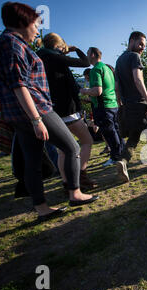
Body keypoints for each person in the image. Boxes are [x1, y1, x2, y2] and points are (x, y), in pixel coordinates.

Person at [0, 2, 98, 221]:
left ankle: (42, 208)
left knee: (33, 159)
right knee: (71, 147)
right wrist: (36, 118)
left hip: (20, 112)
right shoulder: (12, 44)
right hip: (35, 108)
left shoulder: (9, 43)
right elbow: (19, 84)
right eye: (35, 24)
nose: (38, 30)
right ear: (23, 22)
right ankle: (75, 193)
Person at [36, 33, 96, 191]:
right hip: (66, 109)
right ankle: (80, 176)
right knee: (87, 141)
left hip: (52, 109)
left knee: (63, 150)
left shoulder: (40, 57)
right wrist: (75, 49)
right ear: (58, 46)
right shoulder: (54, 57)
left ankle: (66, 182)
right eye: (63, 46)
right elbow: (85, 62)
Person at [115, 31, 147, 183]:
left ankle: (123, 161)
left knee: (134, 136)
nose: (142, 48)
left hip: (128, 105)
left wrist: (120, 102)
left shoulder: (119, 60)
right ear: (132, 40)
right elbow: (138, 79)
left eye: (144, 45)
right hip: (140, 102)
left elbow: (116, 86)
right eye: (140, 44)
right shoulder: (134, 57)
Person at [80, 47, 125, 168]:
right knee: (115, 130)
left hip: (103, 107)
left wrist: (84, 91)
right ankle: (122, 152)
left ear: (93, 55)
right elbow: (110, 88)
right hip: (112, 104)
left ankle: (116, 157)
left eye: (88, 54)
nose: (87, 56)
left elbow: (97, 91)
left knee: (109, 132)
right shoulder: (107, 68)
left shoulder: (95, 70)